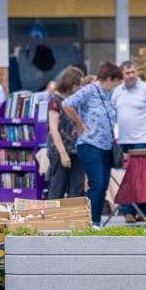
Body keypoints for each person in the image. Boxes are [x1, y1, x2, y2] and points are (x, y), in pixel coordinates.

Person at [63, 61, 123, 228]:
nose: (117, 85)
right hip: (90, 144)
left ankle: (95, 221)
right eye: (117, 81)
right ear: (109, 78)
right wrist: (80, 123)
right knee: (97, 182)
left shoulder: (107, 94)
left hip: (106, 146)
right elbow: (67, 104)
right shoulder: (89, 90)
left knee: (103, 185)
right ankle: (89, 222)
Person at [112, 61, 146, 222]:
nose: (131, 75)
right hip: (124, 141)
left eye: (133, 72)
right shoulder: (117, 92)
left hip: (144, 140)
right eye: (127, 73)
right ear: (122, 75)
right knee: (128, 178)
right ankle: (128, 211)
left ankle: (144, 212)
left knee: (144, 177)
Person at [47, 66, 85, 199]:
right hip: (59, 150)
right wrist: (63, 154)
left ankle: (74, 212)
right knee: (57, 188)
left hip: (76, 150)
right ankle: (53, 213)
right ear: (70, 83)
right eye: (78, 84)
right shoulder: (55, 100)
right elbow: (53, 129)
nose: (80, 88)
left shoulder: (74, 99)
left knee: (77, 189)